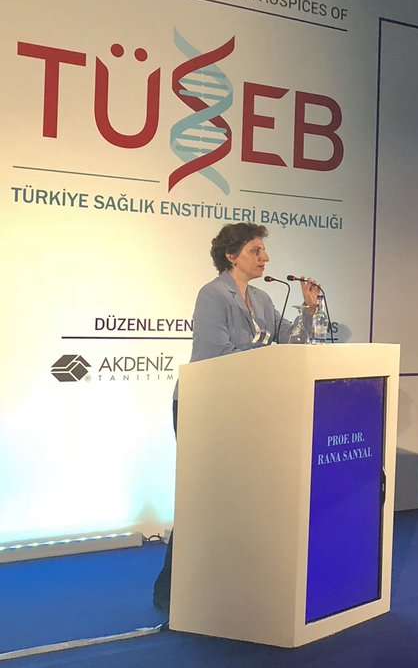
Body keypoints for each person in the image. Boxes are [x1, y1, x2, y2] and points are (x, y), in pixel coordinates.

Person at [152, 223, 320, 616]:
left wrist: (309, 310)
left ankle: (227, 584)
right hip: (204, 407)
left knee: (239, 499)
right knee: (202, 499)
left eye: (264, 251)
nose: (265, 258)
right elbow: (216, 355)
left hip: (243, 407)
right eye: (255, 251)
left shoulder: (262, 298)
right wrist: (265, 353)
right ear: (231, 256)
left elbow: (291, 344)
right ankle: (170, 592)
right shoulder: (212, 295)